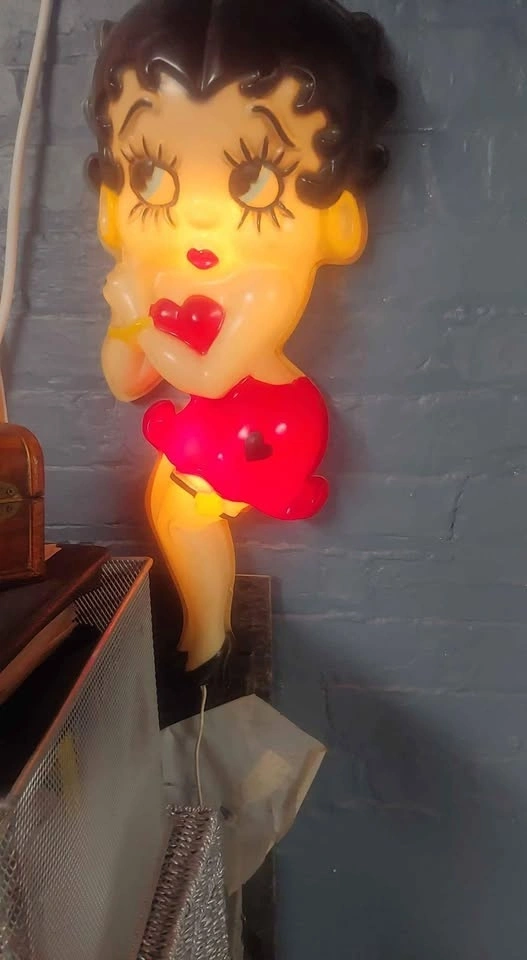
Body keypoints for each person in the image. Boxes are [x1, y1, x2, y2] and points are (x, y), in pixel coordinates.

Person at [86, 0, 397, 680]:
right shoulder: (163, 276)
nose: (199, 212)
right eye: (152, 176)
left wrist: (139, 313)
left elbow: (209, 377)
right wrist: (128, 315)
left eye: (253, 181)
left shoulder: (267, 285)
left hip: (267, 423)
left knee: (186, 511)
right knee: (168, 506)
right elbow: (126, 380)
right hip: (220, 417)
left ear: (336, 217)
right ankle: (204, 629)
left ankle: (211, 638)